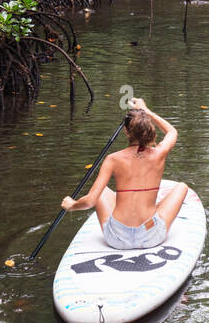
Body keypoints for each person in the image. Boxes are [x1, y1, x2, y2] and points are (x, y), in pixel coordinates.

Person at [60, 98, 189, 250]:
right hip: (150, 235)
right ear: (148, 130)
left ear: (126, 131)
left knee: (102, 191)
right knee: (182, 187)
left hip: (116, 238)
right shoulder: (160, 153)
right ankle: (150, 210)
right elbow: (172, 131)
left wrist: (72, 205)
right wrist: (146, 111)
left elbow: (90, 202)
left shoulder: (113, 159)